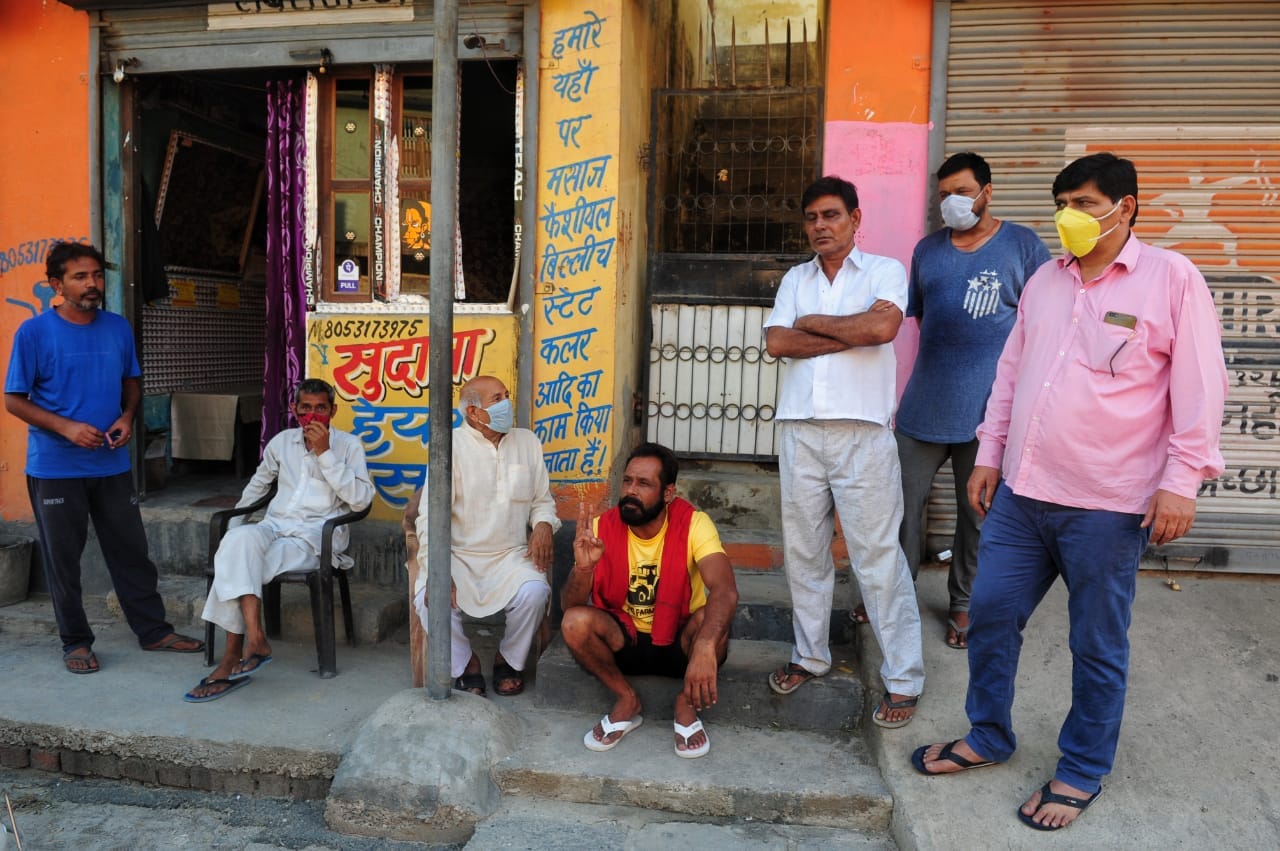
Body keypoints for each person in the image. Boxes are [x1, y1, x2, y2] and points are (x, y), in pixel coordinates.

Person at [911, 153, 1227, 832]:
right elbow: (1011, 372)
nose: (1069, 217)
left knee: (1096, 642)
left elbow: (1200, 385)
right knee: (990, 614)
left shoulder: (1171, 279)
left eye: (1084, 203)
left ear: (1127, 207)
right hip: (1025, 496)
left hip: (1110, 504)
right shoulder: (1046, 282)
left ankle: (1082, 767)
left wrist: (1181, 482)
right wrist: (988, 454)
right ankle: (988, 734)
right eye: (1063, 202)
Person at [762, 176, 926, 728]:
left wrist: (813, 323)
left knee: (877, 556)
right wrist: (847, 331)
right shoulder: (795, 278)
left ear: (855, 219)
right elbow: (777, 342)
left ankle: (903, 678)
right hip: (801, 431)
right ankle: (810, 655)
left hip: (863, 433)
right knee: (804, 551)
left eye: (831, 215)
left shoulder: (884, 272)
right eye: (811, 217)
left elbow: (883, 328)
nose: (819, 226)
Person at [3, 241, 204, 674]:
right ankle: (76, 642)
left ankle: (154, 631)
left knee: (132, 551)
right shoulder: (34, 333)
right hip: (55, 467)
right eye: (79, 277)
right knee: (64, 560)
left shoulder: (117, 328)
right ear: (56, 284)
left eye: (96, 275)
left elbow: (131, 381)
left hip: (111, 464)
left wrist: (127, 417)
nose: (92, 284)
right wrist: (67, 427)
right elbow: (14, 401)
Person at [893, 152, 1050, 649]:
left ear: (987, 191)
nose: (952, 203)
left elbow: (1043, 322)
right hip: (923, 406)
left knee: (977, 514)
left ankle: (962, 602)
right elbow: (921, 319)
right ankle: (893, 596)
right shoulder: (927, 250)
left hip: (988, 416)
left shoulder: (1023, 245)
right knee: (897, 506)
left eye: (962, 191)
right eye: (944, 195)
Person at [185, 378, 373, 701]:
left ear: (333, 411)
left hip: (314, 539)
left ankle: (232, 657)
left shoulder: (349, 446)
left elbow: (360, 500)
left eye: (321, 409)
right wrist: (235, 526)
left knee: (237, 562)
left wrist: (326, 455)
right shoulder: (281, 443)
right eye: (306, 408)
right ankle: (255, 639)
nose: (313, 416)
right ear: (294, 410)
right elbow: (257, 488)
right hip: (274, 527)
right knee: (236, 544)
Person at [560, 443, 738, 758]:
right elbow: (569, 605)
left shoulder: (695, 524)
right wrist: (583, 567)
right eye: (627, 481)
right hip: (624, 638)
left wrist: (706, 645)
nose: (631, 491)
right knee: (573, 621)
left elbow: (725, 590)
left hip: (679, 641)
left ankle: (685, 701)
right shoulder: (602, 527)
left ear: (668, 493)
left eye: (643, 484)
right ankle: (626, 698)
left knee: (715, 617)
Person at [411, 375, 559, 697]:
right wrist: (437, 566)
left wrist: (545, 524)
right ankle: (466, 664)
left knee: (534, 592)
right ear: (473, 413)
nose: (507, 402)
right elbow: (429, 517)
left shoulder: (527, 442)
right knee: (429, 599)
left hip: (510, 554)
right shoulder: (448, 447)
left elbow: (542, 500)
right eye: (497, 399)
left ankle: (508, 658)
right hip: (458, 554)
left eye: (506, 394)